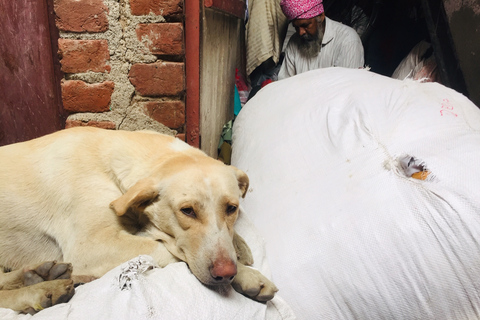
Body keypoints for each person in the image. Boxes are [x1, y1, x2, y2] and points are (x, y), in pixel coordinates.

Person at [278, 0, 364, 80]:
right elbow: (285, 82)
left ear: (321, 16)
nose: (301, 32)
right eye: (296, 27)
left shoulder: (347, 41)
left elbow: (346, 88)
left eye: (305, 25)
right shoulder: (294, 41)